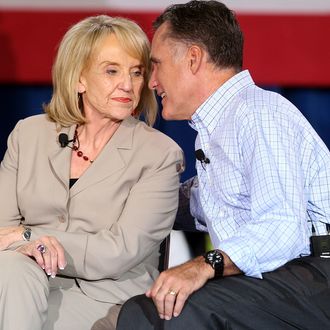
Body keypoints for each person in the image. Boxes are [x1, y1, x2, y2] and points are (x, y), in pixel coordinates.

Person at [116, 1, 330, 329]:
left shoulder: (258, 113)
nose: (151, 81)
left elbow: (283, 228)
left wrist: (203, 265)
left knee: (157, 313)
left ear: (193, 58)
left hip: (316, 272)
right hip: (282, 277)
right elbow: (189, 206)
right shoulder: (218, 129)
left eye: (156, 65)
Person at [0, 14, 184, 330]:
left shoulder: (160, 154)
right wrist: (25, 246)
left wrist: (34, 236)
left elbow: (120, 251)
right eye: (111, 71)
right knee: (13, 272)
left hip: (106, 296)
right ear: (78, 78)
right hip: (20, 277)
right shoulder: (27, 134)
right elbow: (3, 229)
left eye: (136, 72)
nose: (127, 84)